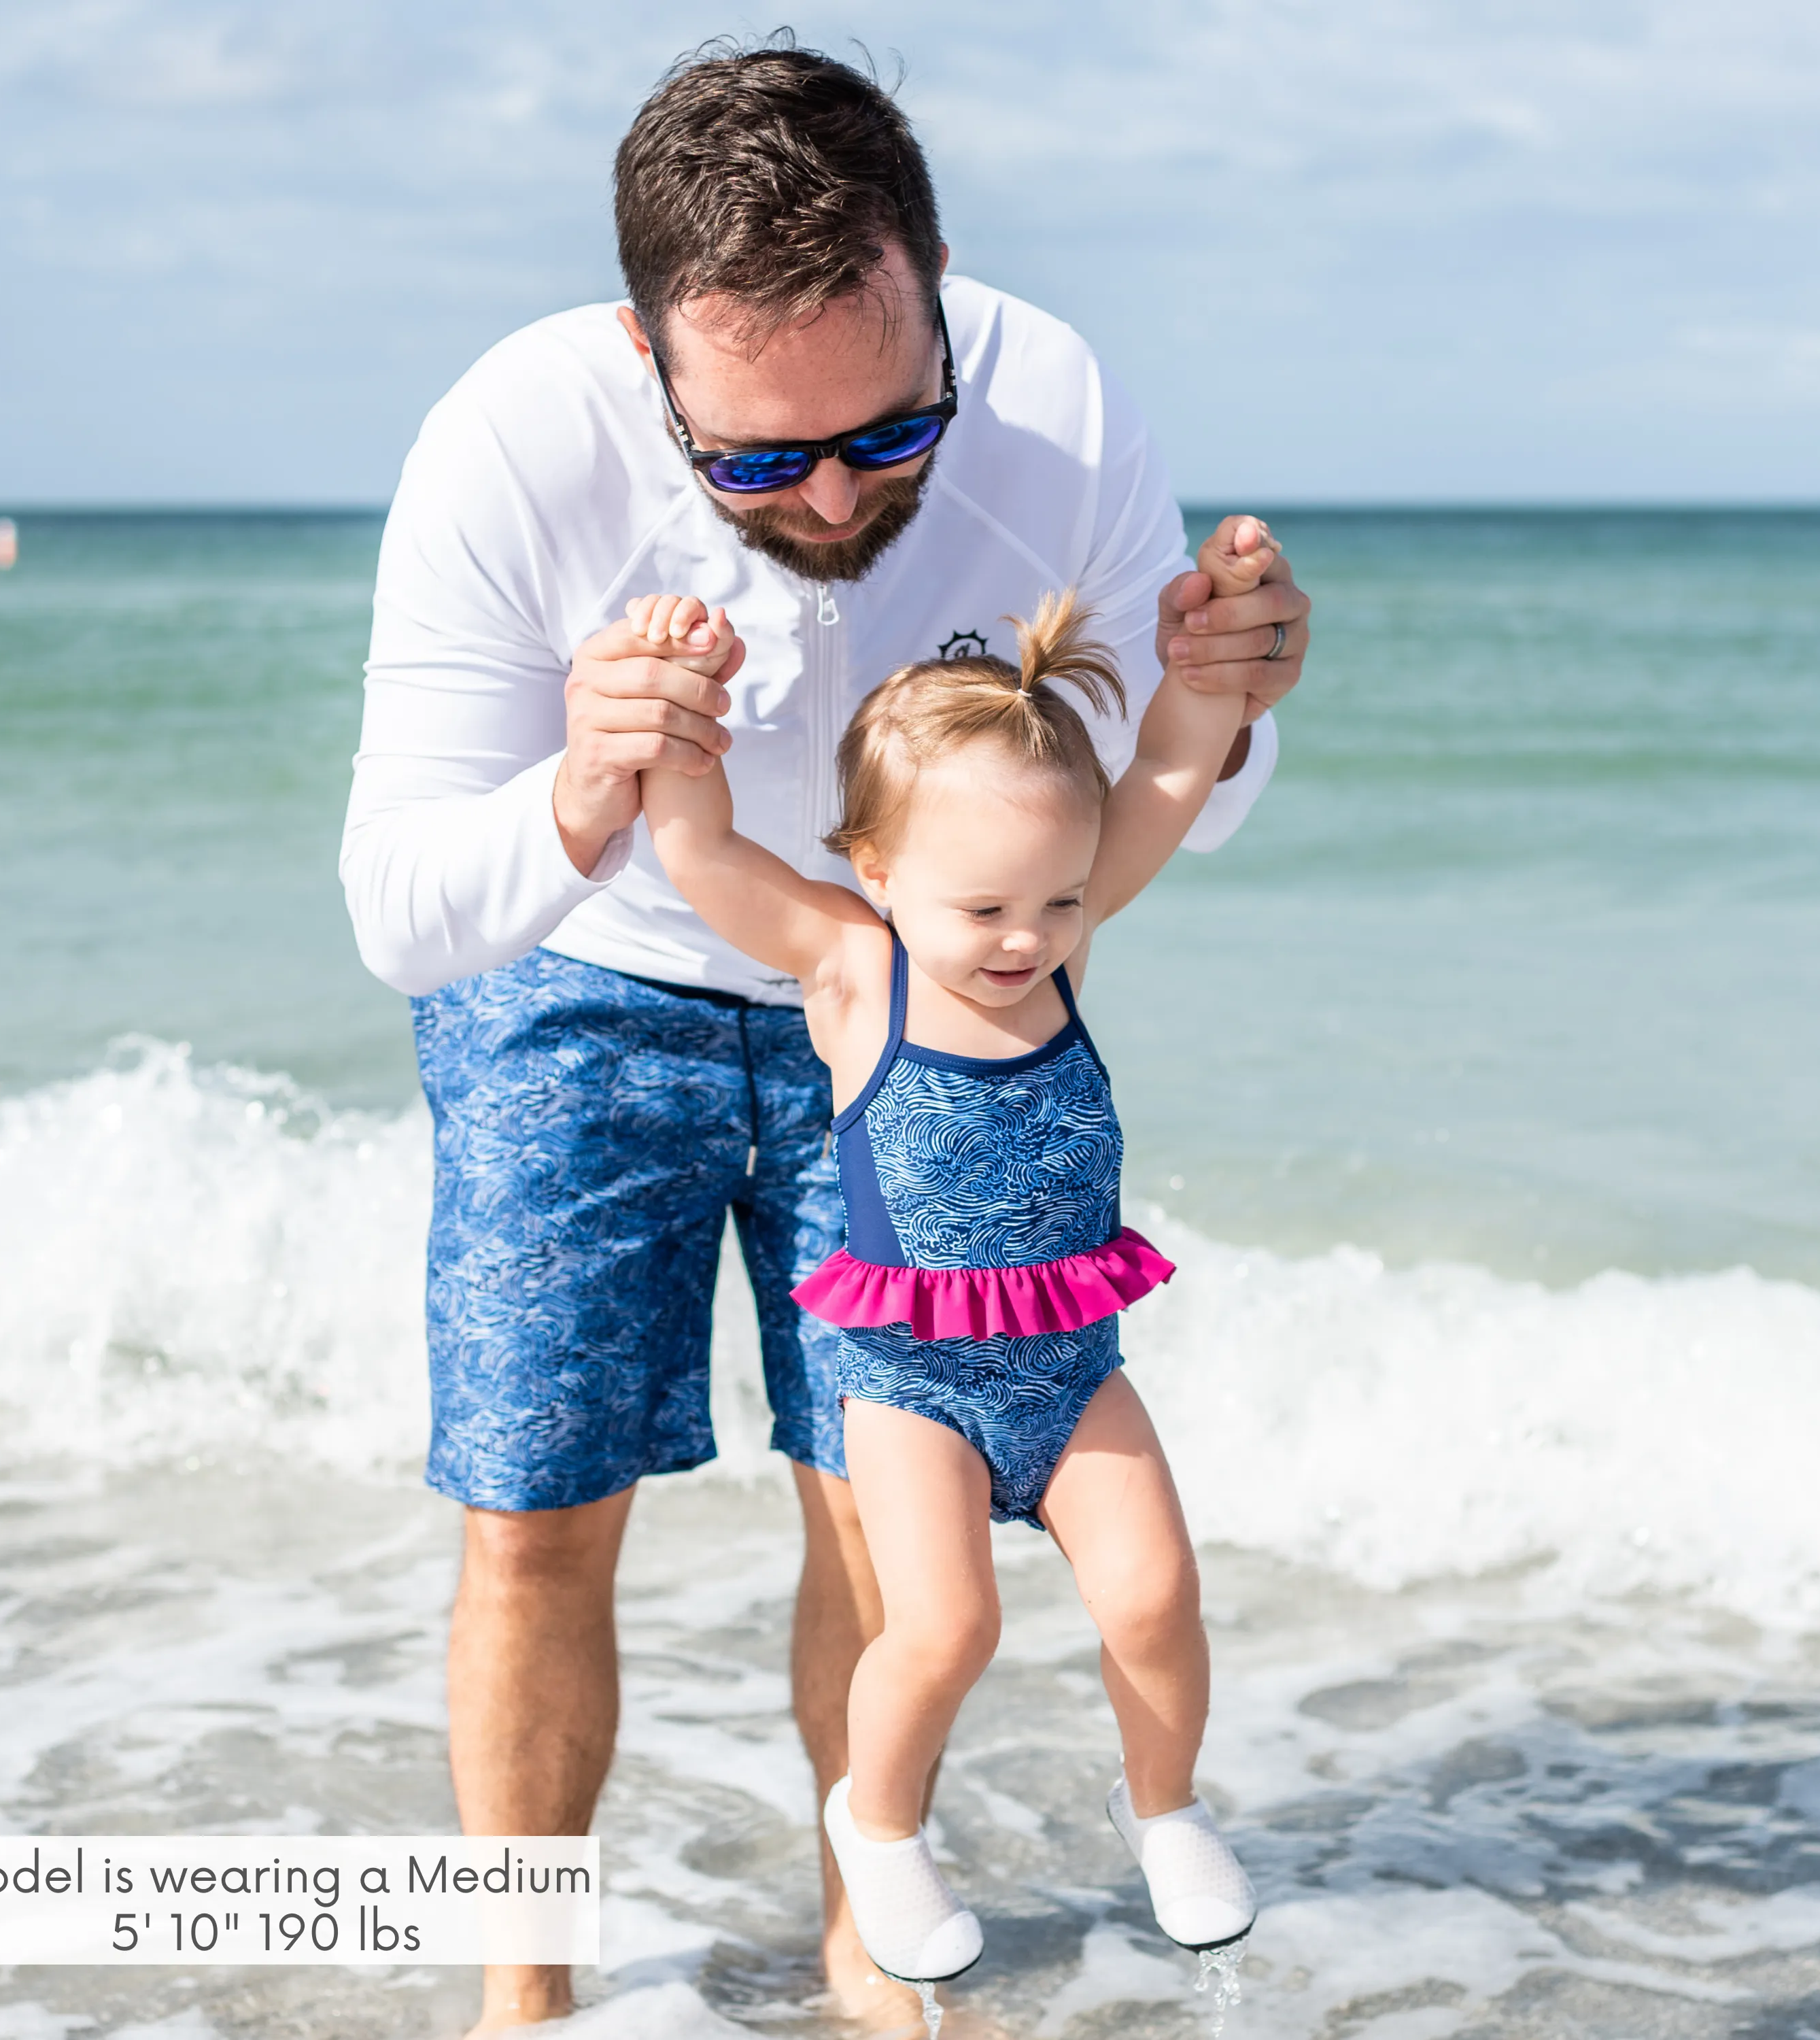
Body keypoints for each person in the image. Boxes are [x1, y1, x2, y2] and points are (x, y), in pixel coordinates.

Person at [340, 38, 1309, 2033]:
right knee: (534, 1510)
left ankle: (867, 1947)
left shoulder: (1054, 401)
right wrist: (586, 799)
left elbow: (1168, 799)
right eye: (761, 460)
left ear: (939, 286)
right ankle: (525, 1997)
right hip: (579, 969)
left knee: (881, 1500)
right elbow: (399, 911)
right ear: (647, 355)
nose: (846, 492)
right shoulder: (509, 443)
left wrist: (1241, 688)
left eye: (889, 428)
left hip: (909, 995)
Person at [634, 515, 1273, 1986]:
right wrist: (678, 715)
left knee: (1157, 1594)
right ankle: (883, 1832)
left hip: (1068, 1361)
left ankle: (1164, 1805)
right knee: (945, 1624)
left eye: (1057, 899)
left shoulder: (1064, 941)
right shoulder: (856, 971)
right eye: (983, 907)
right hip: (911, 1378)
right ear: (872, 864)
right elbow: (699, 849)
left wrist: (1221, 642)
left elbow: (1171, 767)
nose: (1024, 938)